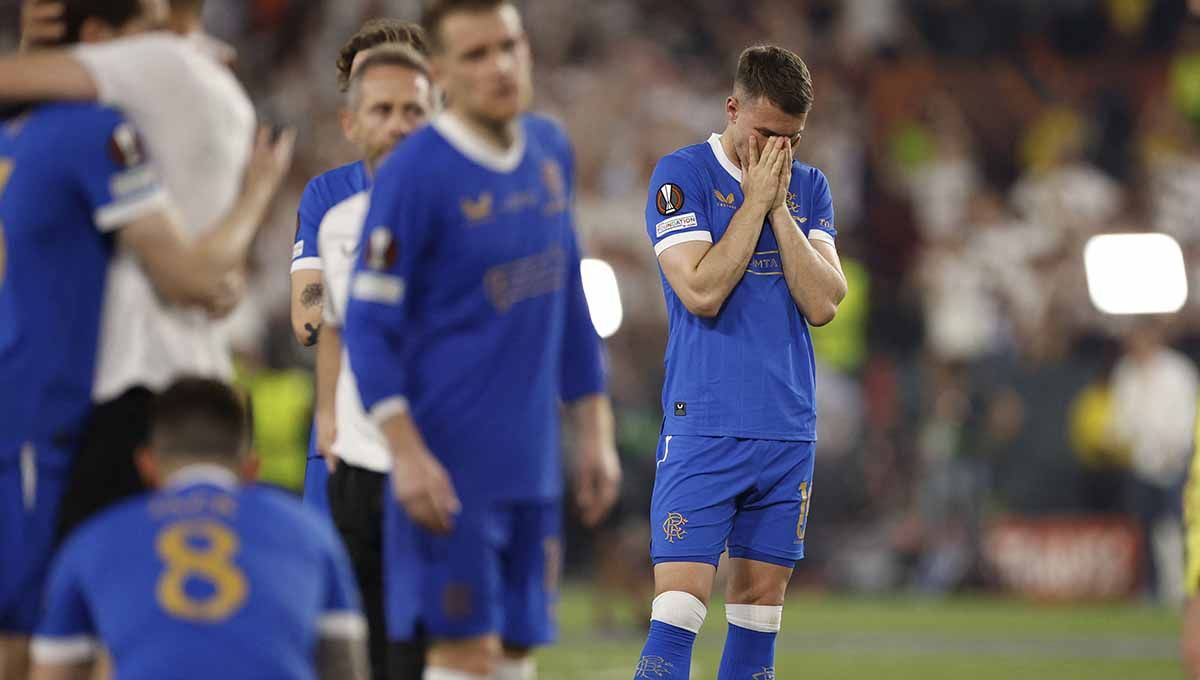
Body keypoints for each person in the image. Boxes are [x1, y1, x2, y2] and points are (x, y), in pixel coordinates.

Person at [0, 3, 293, 677]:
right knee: (103, 625)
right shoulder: (119, 114)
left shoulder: (48, 127)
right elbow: (196, 277)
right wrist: (257, 194)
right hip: (115, 403)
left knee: (44, 626)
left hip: (68, 394)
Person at [341, 1, 622, 678]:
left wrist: (595, 427)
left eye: (509, 46)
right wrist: (405, 453)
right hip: (449, 470)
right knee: (464, 657)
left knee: (517, 652)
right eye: (475, 55)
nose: (499, 66)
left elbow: (569, 300)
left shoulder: (550, 148)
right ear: (439, 73)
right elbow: (368, 328)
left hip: (533, 463)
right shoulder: (416, 175)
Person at [633, 45, 847, 679]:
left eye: (793, 138)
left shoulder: (808, 188)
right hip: (705, 422)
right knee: (679, 609)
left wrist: (777, 205)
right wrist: (752, 202)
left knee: (758, 615)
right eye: (766, 134)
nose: (779, 151)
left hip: (786, 428)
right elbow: (700, 290)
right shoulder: (682, 176)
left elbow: (824, 301)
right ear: (733, 108)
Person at [28, 378, 369, 680]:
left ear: (146, 466)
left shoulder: (93, 541)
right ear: (251, 468)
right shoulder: (311, 535)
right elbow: (345, 670)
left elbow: (53, 673)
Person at [314, 46, 434, 680]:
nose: (398, 123)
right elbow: (333, 327)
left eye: (413, 110)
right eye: (382, 109)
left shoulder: (470, 216)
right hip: (360, 469)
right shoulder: (337, 225)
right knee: (360, 651)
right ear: (352, 123)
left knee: (434, 651)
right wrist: (328, 422)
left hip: (440, 465)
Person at [290, 17, 428, 516]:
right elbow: (307, 320)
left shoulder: (466, 191)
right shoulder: (327, 198)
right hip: (342, 437)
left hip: (436, 432)